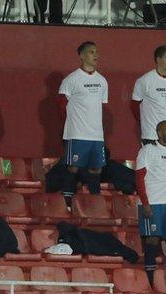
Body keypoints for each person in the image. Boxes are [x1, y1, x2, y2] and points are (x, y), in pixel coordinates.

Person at [58, 41, 108, 208]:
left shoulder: (102, 81)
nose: (96, 55)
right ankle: (67, 201)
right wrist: (70, 127)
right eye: (91, 52)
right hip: (77, 133)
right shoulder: (71, 80)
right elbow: (60, 106)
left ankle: (95, 202)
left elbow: (100, 105)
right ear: (81, 56)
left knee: (97, 169)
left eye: (96, 52)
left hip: (96, 135)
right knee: (73, 168)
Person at [136, 121, 166, 284]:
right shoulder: (148, 151)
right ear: (158, 133)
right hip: (151, 202)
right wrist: (145, 203)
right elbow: (139, 178)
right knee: (152, 241)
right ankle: (150, 280)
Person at [132, 45, 166, 145]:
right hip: (151, 135)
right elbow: (134, 105)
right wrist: (143, 123)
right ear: (158, 59)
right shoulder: (145, 80)